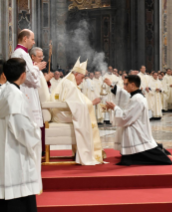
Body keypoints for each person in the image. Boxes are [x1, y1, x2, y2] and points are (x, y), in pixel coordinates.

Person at [0, 58, 42, 211]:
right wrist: (35, 132)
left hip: (6, 148)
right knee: (20, 199)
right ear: (23, 75)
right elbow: (21, 127)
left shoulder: (3, 90)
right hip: (16, 152)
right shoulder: (15, 95)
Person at [103, 75, 172, 166]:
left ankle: (150, 152)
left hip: (137, 131)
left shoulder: (137, 98)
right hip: (138, 127)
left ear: (132, 85)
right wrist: (112, 86)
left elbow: (125, 117)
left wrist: (115, 108)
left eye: (125, 84)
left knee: (155, 155)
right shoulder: (135, 95)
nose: (124, 86)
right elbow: (123, 95)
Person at [50, 58, 105, 165]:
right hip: (61, 113)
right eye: (82, 77)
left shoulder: (68, 81)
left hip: (60, 111)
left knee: (84, 116)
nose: (83, 80)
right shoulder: (70, 84)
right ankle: (84, 153)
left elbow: (76, 102)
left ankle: (80, 151)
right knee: (85, 119)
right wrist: (92, 103)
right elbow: (76, 105)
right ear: (76, 75)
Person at [11, 29, 47, 128]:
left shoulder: (22, 53)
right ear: (25, 38)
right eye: (32, 39)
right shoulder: (21, 54)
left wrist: (33, 66)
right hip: (26, 91)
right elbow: (29, 76)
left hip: (28, 90)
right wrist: (37, 68)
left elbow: (28, 71)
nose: (34, 42)